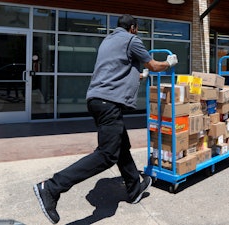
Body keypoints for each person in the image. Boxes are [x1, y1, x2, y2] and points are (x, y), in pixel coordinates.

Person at [33, 14, 178, 224]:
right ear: (134, 28)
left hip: (96, 100)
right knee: (107, 154)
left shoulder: (108, 41)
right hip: (108, 103)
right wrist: (169, 63)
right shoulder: (131, 40)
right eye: (137, 29)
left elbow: (115, 69)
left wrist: (139, 76)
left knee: (121, 145)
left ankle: (134, 188)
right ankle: (52, 187)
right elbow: (154, 65)